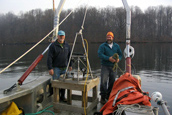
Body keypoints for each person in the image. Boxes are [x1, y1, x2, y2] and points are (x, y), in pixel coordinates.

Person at [47, 30, 72, 102]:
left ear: (64, 36)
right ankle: (56, 99)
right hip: (56, 68)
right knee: (56, 84)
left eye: (62, 35)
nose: (61, 37)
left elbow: (69, 56)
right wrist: (50, 68)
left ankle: (62, 97)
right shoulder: (53, 46)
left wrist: (70, 65)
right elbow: (49, 57)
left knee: (64, 84)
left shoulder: (67, 45)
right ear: (57, 36)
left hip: (65, 68)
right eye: (60, 35)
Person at [98, 31, 122, 104]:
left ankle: (108, 96)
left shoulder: (116, 46)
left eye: (110, 37)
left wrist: (118, 59)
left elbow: (120, 54)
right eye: (107, 37)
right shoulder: (102, 46)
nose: (109, 38)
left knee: (112, 82)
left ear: (112, 38)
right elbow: (100, 54)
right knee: (103, 82)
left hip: (113, 67)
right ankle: (102, 97)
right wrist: (108, 58)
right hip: (105, 66)